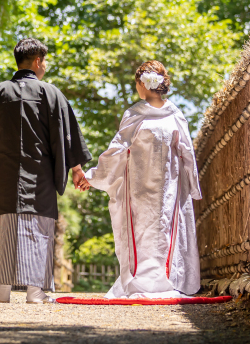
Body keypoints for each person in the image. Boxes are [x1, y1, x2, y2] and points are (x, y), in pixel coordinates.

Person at [0, 38, 92, 304]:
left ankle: (3, 291)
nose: (45, 65)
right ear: (37, 62)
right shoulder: (52, 94)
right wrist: (77, 168)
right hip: (40, 175)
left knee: (4, 226)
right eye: (44, 60)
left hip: (4, 173)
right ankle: (35, 291)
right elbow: (66, 137)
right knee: (38, 227)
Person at [80, 61, 202, 299]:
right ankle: (146, 282)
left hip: (155, 186)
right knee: (152, 232)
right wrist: (193, 186)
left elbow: (117, 150)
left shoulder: (142, 114)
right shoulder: (171, 116)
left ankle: (164, 282)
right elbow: (187, 153)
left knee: (155, 231)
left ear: (142, 84)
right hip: (157, 187)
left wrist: (92, 176)